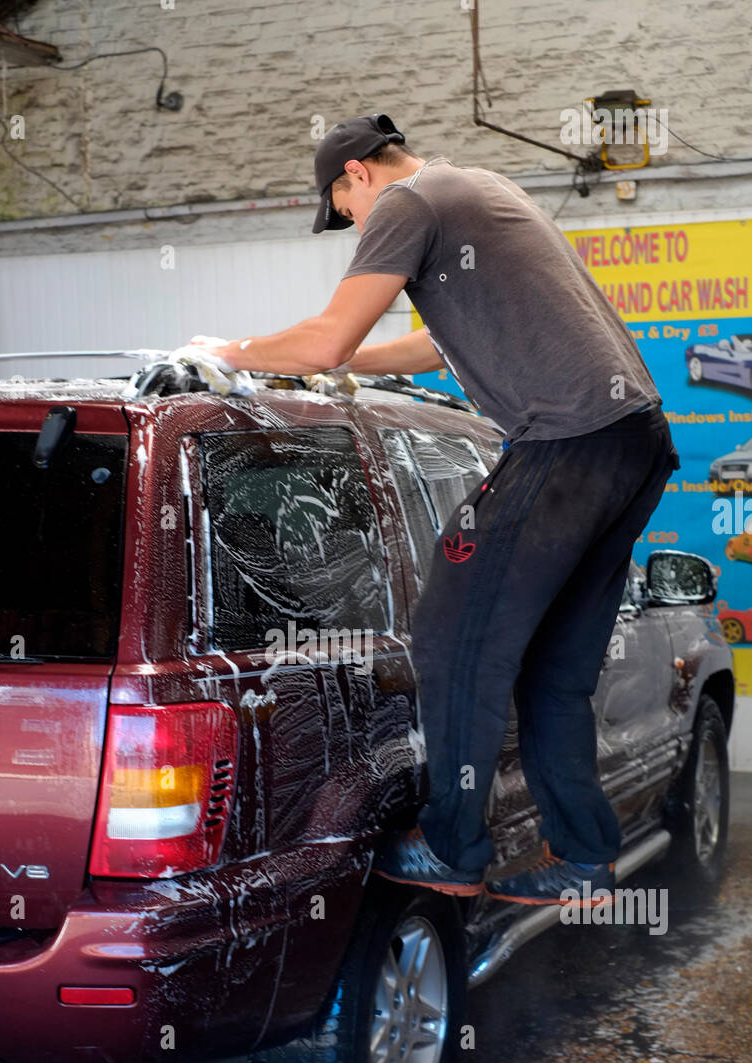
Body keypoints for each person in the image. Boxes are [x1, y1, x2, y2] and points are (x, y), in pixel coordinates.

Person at [191, 113, 680, 905]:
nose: (351, 223)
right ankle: (586, 860)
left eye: (342, 208)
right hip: (633, 441)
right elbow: (425, 347)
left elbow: (326, 339)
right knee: (553, 670)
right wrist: (335, 377)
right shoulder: (482, 188)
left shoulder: (407, 203)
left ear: (358, 174)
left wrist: (229, 353)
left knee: (452, 634)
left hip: (564, 440)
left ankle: (453, 849)